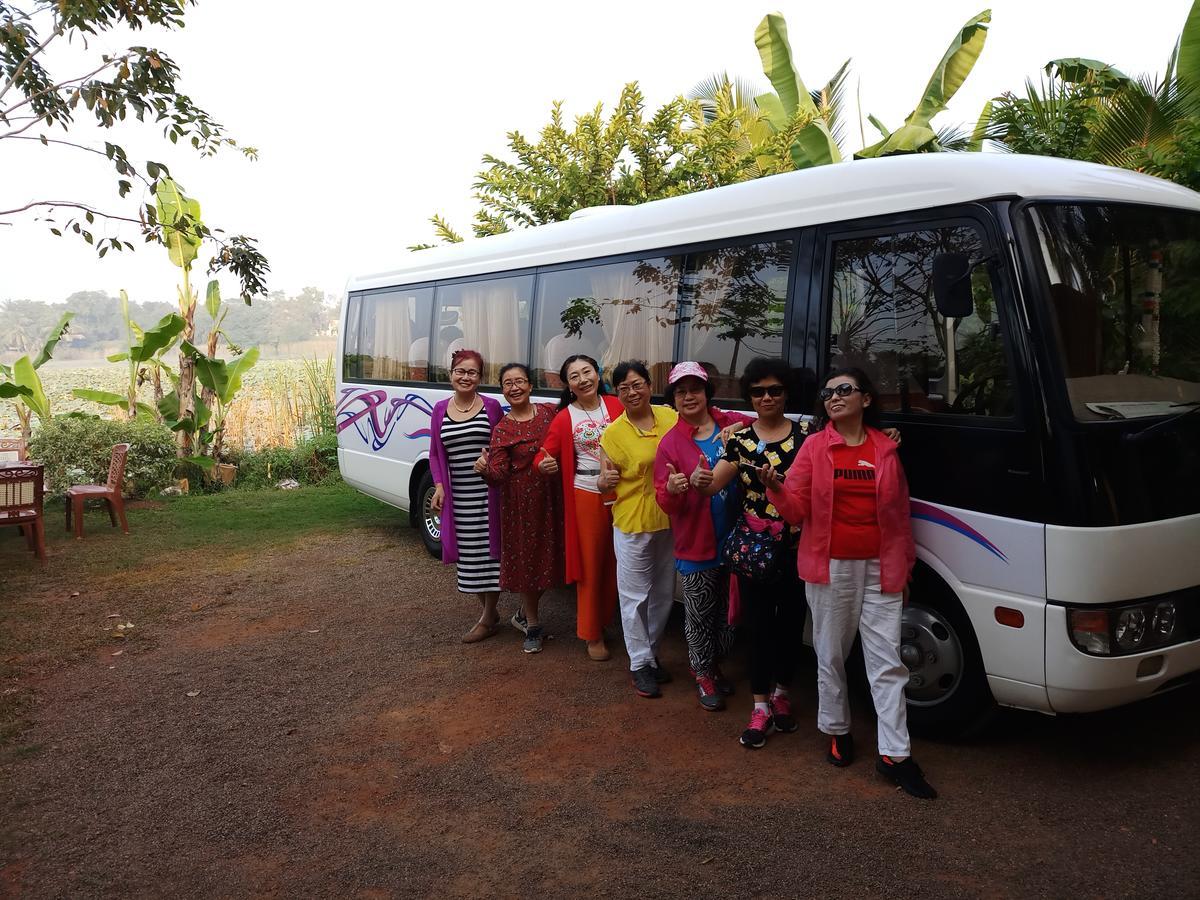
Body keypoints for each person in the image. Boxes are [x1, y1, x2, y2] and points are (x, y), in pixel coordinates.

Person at [765, 366, 937, 799]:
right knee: (831, 654)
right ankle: (838, 729)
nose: (834, 396)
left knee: (887, 661)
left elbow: (899, 517)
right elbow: (796, 510)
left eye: (845, 389)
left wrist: (903, 568)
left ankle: (895, 755)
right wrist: (775, 489)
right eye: (828, 392)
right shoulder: (815, 448)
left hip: (881, 567)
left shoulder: (885, 450)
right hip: (831, 567)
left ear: (866, 400)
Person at [695, 357, 808, 747]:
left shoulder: (807, 436)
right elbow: (712, 485)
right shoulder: (739, 440)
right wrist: (697, 479)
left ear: (786, 393)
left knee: (791, 626)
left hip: (796, 547)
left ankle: (782, 695)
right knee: (758, 628)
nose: (766, 397)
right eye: (758, 392)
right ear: (749, 396)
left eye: (774, 390)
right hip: (755, 552)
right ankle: (760, 706)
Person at [653, 361, 753, 712]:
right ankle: (704, 674)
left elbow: (772, 428)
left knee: (729, 616)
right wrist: (675, 488)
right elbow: (664, 501)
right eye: (681, 392)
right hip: (695, 545)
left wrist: (740, 426)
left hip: (739, 542)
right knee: (698, 615)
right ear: (673, 400)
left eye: (695, 389)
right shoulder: (670, 443)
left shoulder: (731, 424)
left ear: (707, 393)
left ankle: (714, 662)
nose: (688, 397)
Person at [536, 354, 624, 661]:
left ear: (598, 375)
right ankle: (591, 633)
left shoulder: (616, 405)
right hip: (586, 494)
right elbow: (545, 454)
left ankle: (606, 620)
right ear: (569, 385)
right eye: (575, 376)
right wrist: (545, 464)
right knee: (590, 566)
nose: (583, 379)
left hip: (624, 492)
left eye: (587, 371)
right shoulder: (564, 418)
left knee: (618, 563)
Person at [598, 360, 677, 698]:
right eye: (624, 388)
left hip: (669, 520)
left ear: (649, 385)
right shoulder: (613, 433)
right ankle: (639, 663)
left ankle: (652, 654)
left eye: (637, 384)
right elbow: (603, 483)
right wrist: (603, 481)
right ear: (617, 393)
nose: (632, 392)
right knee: (634, 597)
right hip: (632, 522)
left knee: (662, 594)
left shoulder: (671, 418)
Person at [482, 363, 565, 654]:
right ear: (502, 391)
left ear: (530, 385)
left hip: (553, 499)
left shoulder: (549, 413)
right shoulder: (502, 429)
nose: (514, 387)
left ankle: (521, 614)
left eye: (519, 381)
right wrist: (484, 469)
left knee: (554, 561)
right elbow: (498, 476)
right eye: (507, 383)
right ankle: (532, 623)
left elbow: (565, 444)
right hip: (521, 506)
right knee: (529, 564)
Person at [428, 349, 505, 643]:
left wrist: (491, 465)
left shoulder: (492, 406)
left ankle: (487, 618)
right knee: (470, 556)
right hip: (458, 495)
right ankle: (489, 611)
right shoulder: (438, 410)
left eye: (472, 372)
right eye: (460, 371)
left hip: (488, 493)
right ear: (451, 375)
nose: (466, 377)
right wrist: (439, 485)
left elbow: (501, 447)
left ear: (480, 377)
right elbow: (436, 453)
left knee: (490, 555)